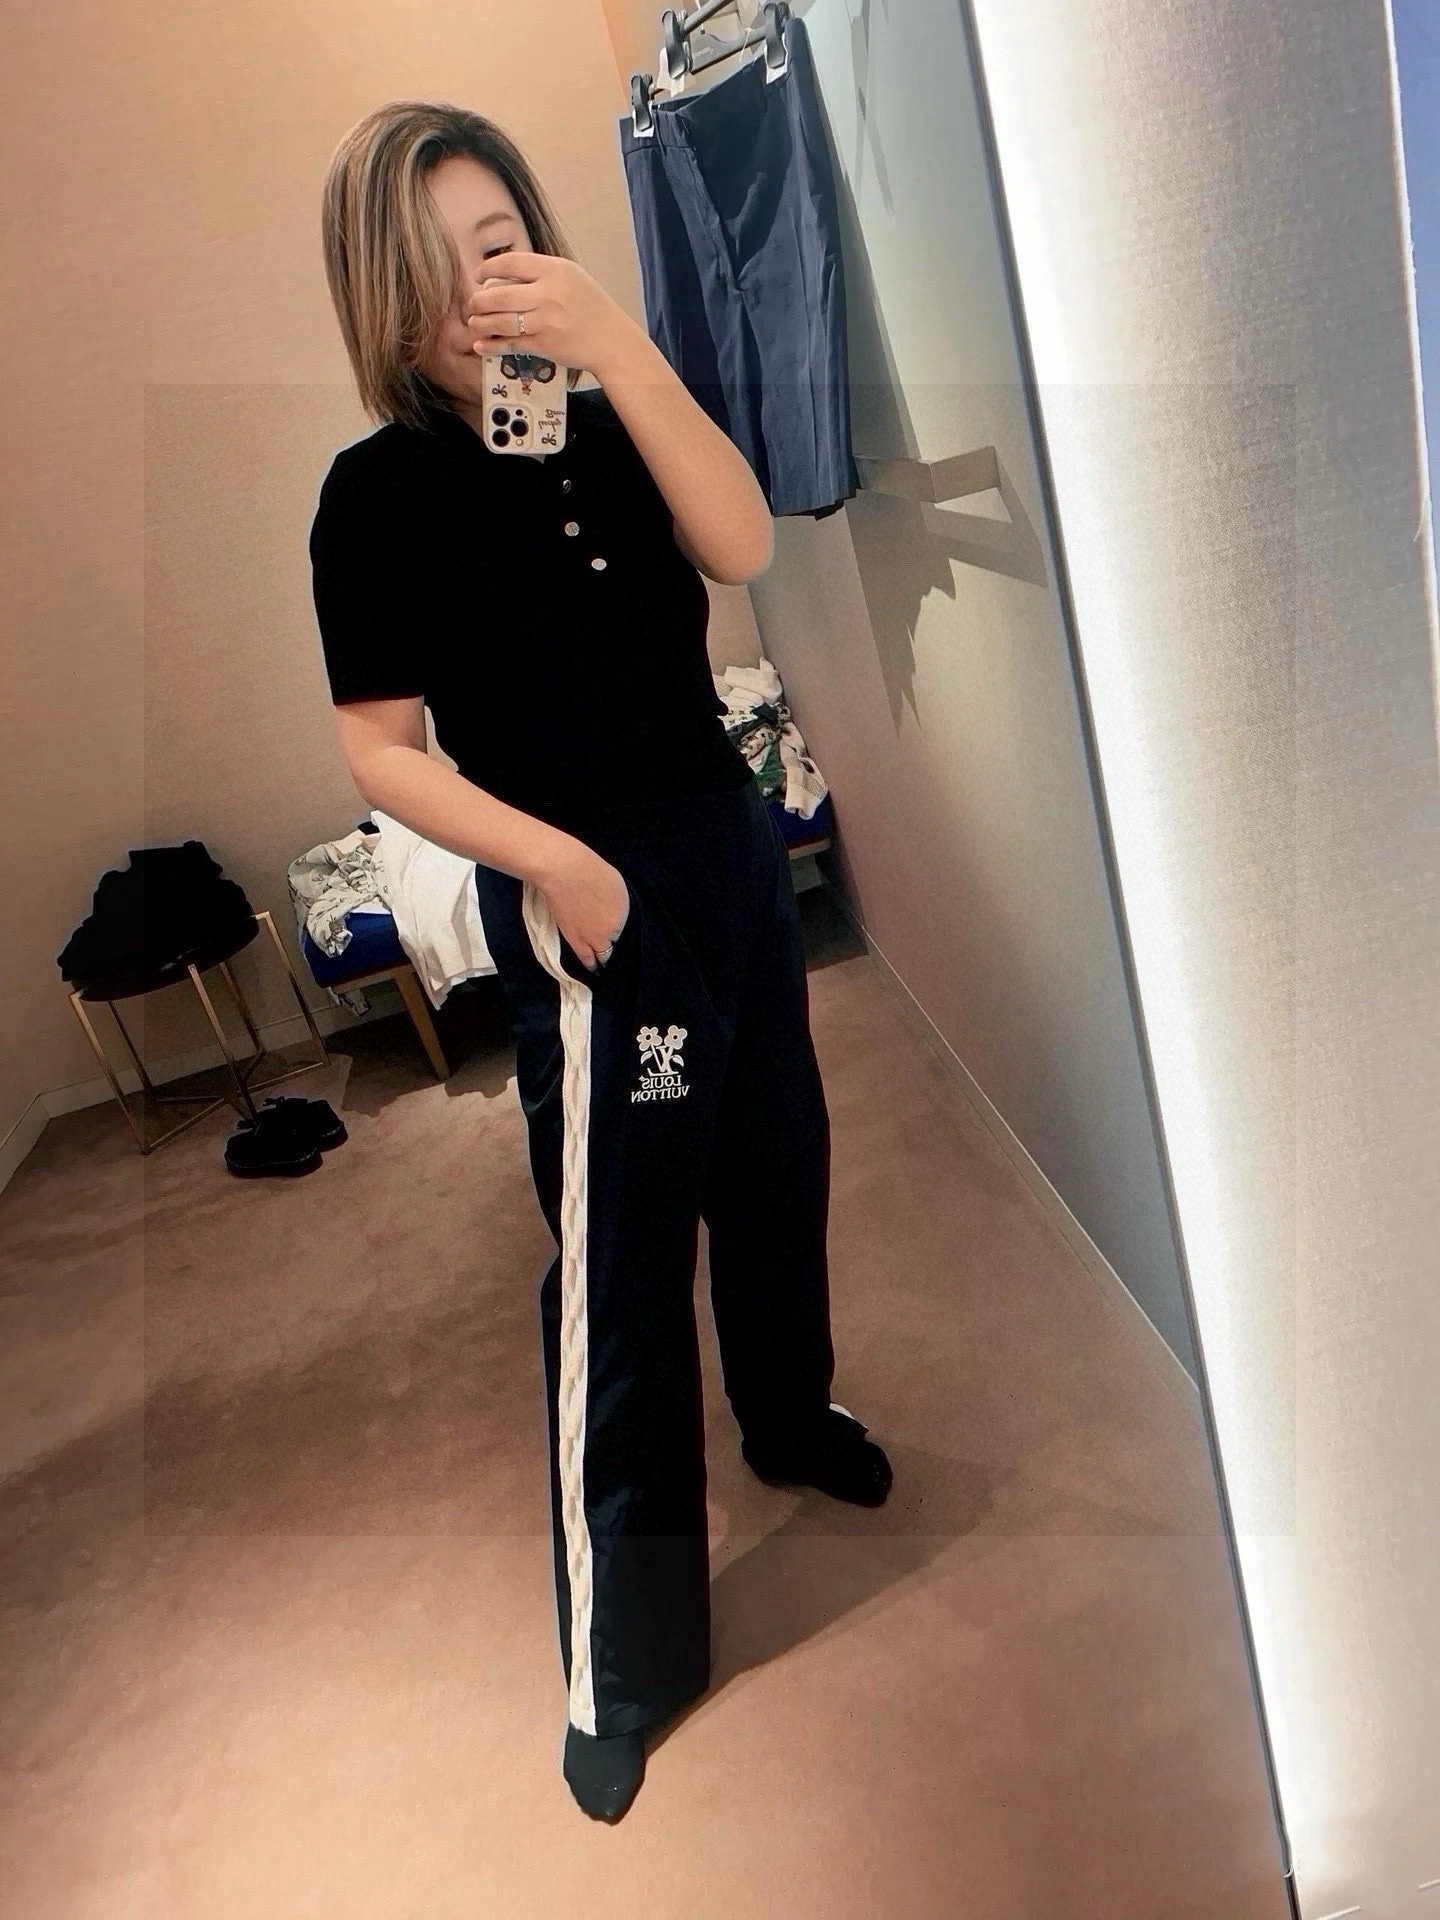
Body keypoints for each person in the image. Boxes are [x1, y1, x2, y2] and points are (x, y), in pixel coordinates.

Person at [308, 101, 892, 1823]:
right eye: (440, 260)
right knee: (624, 1268)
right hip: (589, 912)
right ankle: (621, 1660)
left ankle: (788, 1419)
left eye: (502, 241)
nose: (481, 283)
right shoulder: (374, 495)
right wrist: (556, 866)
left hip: (722, 850)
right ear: (381, 289)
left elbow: (746, 545)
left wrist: (620, 346)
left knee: (776, 1165)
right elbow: (379, 751)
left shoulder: (614, 409)